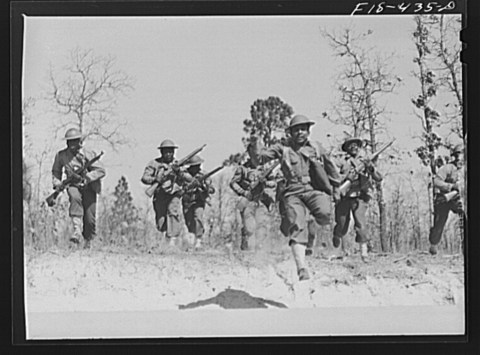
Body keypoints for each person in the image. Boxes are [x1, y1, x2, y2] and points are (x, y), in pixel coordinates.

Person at [249, 114, 341, 280]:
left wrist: (336, 187)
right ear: (290, 132)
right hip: (292, 191)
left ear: (308, 131)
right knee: (297, 225)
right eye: (296, 129)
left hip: (313, 189)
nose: (300, 132)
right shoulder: (282, 148)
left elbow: (330, 167)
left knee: (325, 214)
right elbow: (260, 159)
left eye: (303, 129)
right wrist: (255, 142)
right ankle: (302, 267)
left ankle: (311, 229)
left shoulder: (316, 147)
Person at [52, 128, 106, 249]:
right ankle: (76, 230)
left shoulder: (88, 154)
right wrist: (57, 182)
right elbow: (56, 171)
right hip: (73, 185)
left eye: (75, 141)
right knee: (74, 197)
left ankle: (89, 241)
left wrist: (88, 177)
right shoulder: (61, 155)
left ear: (80, 141)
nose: (72, 145)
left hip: (89, 187)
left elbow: (101, 170)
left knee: (90, 218)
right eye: (70, 142)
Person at [332, 137, 382, 262]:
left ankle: (364, 253)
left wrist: (370, 168)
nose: (353, 147)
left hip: (360, 196)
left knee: (361, 224)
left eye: (356, 145)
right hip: (344, 197)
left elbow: (378, 178)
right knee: (342, 224)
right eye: (350, 145)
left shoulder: (365, 161)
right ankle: (339, 250)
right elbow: (334, 177)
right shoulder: (341, 161)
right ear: (347, 148)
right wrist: (346, 177)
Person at [141, 139, 192, 246]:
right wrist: (156, 179)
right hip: (160, 194)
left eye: (171, 151)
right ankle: (163, 239)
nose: (168, 154)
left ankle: (172, 241)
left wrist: (179, 172)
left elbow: (189, 178)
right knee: (161, 218)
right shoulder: (154, 163)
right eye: (166, 151)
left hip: (174, 194)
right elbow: (145, 178)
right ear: (161, 152)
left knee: (173, 212)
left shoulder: (178, 164)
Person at [229, 147, 276, 251]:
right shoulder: (243, 169)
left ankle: (260, 249)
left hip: (262, 200)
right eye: (254, 154)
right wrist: (244, 192)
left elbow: (274, 183)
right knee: (249, 227)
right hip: (248, 201)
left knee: (262, 224)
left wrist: (265, 183)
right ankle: (247, 246)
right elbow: (233, 183)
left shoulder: (266, 169)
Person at [428, 143, 465, 255]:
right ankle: (433, 245)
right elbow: (436, 181)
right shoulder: (448, 168)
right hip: (445, 198)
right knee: (439, 223)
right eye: (458, 155)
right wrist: (451, 186)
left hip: (460, 199)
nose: (460, 158)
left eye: (462, 154)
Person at [181, 155, 215, 249]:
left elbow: (212, 189)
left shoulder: (204, 175)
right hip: (187, 200)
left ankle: (199, 240)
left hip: (199, 200)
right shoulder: (184, 175)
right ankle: (191, 239)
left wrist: (204, 187)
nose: (197, 167)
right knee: (189, 221)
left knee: (198, 217)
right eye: (195, 165)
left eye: (198, 165)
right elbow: (179, 186)